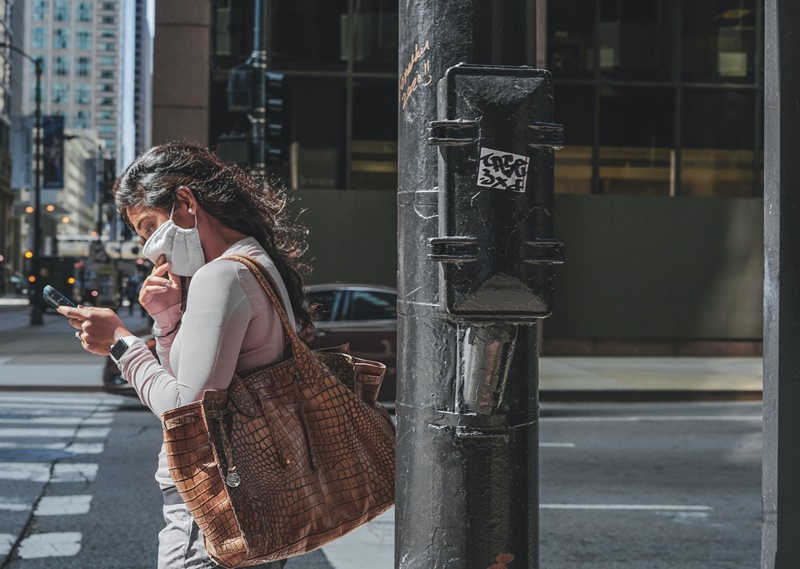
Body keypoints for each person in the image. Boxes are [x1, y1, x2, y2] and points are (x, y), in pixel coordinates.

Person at [58, 142, 313, 569]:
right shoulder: (252, 261)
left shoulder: (223, 275)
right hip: (259, 498)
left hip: (213, 506)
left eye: (150, 226)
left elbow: (186, 414)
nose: (151, 250)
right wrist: (166, 319)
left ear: (185, 202)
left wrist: (121, 344)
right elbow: (192, 380)